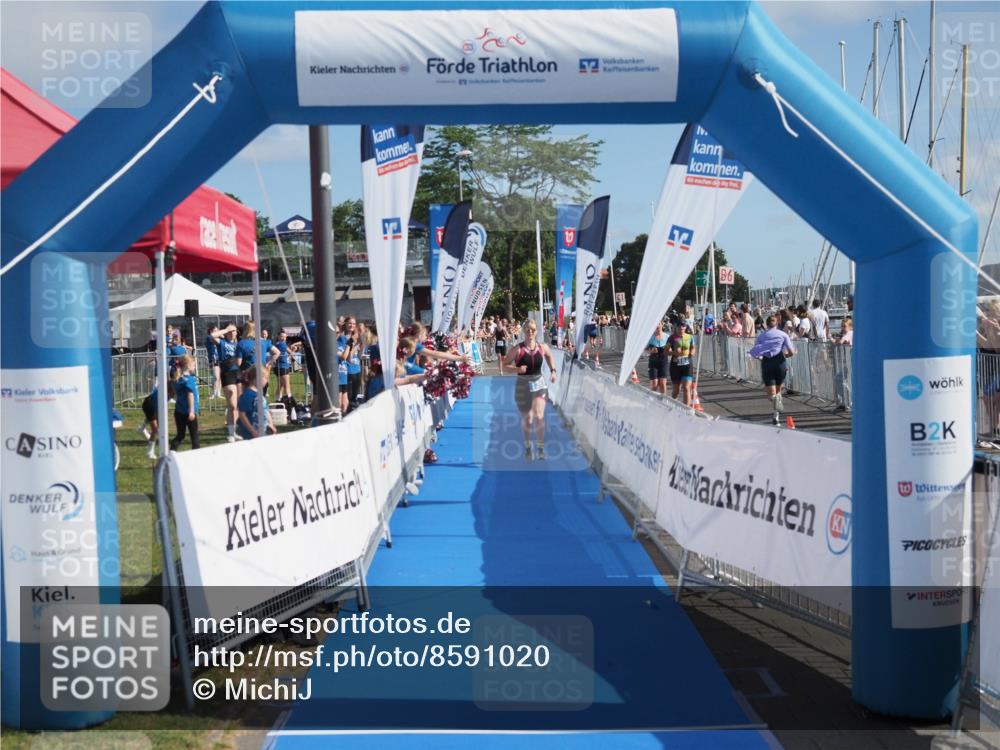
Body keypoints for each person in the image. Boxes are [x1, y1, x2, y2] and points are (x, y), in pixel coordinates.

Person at [503, 320, 557, 460]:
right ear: (524, 332)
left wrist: (553, 371)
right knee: (528, 419)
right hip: (523, 386)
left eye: (533, 330)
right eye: (527, 330)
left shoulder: (542, 347)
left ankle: (540, 447)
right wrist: (517, 369)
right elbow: (504, 366)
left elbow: (550, 356)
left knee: (539, 416)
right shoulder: (517, 349)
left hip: (539, 384)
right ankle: (528, 446)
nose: (530, 332)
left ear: (536, 332)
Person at [750, 314, 797, 425]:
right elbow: (791, 352)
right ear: (777, 323)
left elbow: (755, 352)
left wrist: (761, 357)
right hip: (780, 362)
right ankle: (776, 417)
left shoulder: (761, 336)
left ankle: (776, 415)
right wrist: (786, 355)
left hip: (767, 362)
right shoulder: (783, 334)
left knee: (771, 395)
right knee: (778, 391)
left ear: (766, 324)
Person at [237, 367, 277, 440]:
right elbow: (242, 415)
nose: (267, 381)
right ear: (257, 378)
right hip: (251, 435)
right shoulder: (247, 395)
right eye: (265, 378)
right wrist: (253, 431)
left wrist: (270, 424)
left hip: (264, 432)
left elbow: (266, 411)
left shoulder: (260, 394)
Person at [170, 355, 200, 451]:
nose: (195, 367)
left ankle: (171, 452)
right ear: (188, 366)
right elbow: (190, 395)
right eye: (194, 365)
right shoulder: (189, 380)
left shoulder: (178, 379)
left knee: (180, 435)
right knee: (194, 436)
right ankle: (197, 454)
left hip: (178, 411)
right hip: (188, 412)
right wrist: (191, 411)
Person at [218, 323, 242, 442]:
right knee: (232, 405)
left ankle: (233, 432)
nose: (233, 333)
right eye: (231, 331)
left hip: (238, 373)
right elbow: (211, 337)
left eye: (234, 331)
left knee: (237, 405)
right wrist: (225, 329)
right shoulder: (222, 343)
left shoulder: (239, 344)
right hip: (227, 374)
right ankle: (231, 433)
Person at [667, 320, 696, 406]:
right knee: (677, 390)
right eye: (679, 326)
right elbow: (665, 352)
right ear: (676, 327)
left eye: (683, 326)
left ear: (686, 327)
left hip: (687, 364)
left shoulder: (690, 337)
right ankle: (672, 403)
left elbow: (693, 348)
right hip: (675, 365)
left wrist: (692, 352)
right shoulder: (672, 338)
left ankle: (686, 411)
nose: (681, 327)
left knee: (687, 388)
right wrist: (674, 352)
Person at [646, 322, 669, 394]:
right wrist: (651, 350)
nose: (657, 326)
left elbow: (671, 349)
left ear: (662, 325)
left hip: (663, 361)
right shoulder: (650, 337)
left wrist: (668, 350)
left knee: (662, 383)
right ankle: (652, 401)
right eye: (656, 324)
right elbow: (645, 349)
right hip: (653, 361)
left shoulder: (667, 337)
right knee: (654, 384)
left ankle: (663, 401)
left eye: (659, 324)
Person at [139, 385, 159, 459]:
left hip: (151, 404)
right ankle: (150, 452)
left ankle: (142, 428)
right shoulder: (166, 387)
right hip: (149, 405)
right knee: (155, 429)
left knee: (153, 424)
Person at [203, 325, 222, 398]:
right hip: (213, 360)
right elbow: (211, 338)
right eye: (215, 331)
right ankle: (213, 393)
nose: (217, 332)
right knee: (216, 377)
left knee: (219, 377)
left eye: (218, 330)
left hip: (220, 359)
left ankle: (218, 393)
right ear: (211, 331)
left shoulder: (219, 339)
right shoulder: (209, 338)